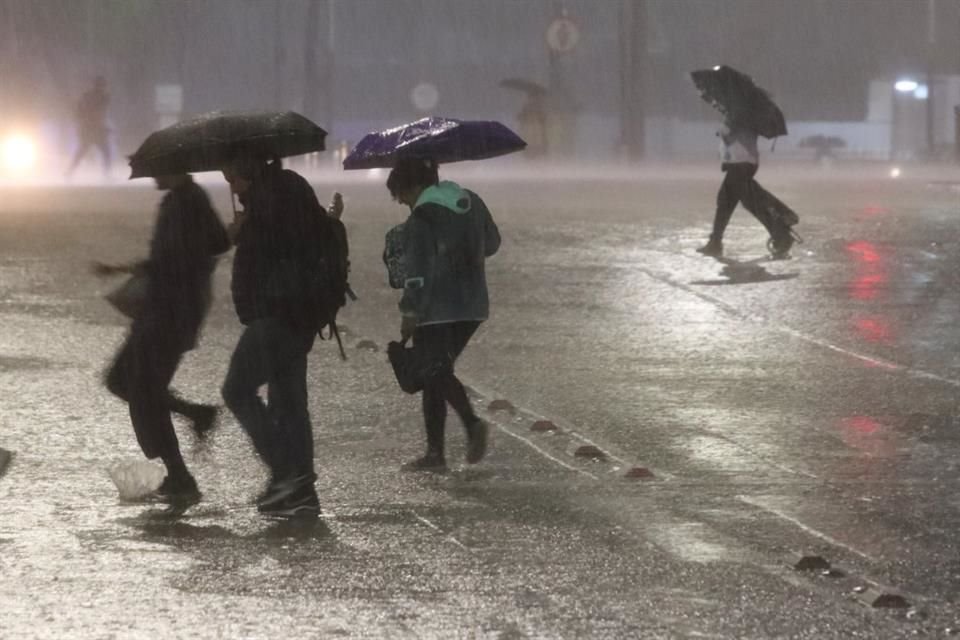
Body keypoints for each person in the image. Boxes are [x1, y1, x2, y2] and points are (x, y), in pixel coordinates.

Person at [95, 173, 229, 504]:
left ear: (173, 166)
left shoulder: (183, 202)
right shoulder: (186, 198)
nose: (153, 175)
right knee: (129, 384)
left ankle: (180, 474)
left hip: (168, 311)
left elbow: (176, 259)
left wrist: (138, 267)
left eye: (158, 169)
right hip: (171, 309)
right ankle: (192, 422)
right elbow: (216, 244)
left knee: (136, 388)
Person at [220, 155, 333, 517]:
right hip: (303, 314)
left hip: (276, 312)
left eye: (234, 179)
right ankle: (302, 495)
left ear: (250, 171)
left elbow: (270, 252)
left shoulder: (268, 204)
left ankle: (287, 474)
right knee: (289, 403)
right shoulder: (292, 190)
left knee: (236, 390)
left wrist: (239, 232)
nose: (233, 188)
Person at [387, 157, 500, 472]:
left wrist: (410, 312)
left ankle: (471, 424)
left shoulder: (422, 218)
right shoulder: (471, 201)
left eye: (403, 197)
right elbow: (492, 244)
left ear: (412, 188)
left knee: (434, 369)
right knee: (437, 369)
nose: (405, 204)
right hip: (473, 305)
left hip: (436, 307)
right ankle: (435, 455)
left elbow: (417, 276)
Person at [696, 116, 795, 259]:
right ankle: (782, 230)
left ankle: (783, 225)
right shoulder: (738, 114)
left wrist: (724, 131)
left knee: (729, 202)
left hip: (741, 163)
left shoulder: (741, 116)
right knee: (747, 201)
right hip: (739, 163)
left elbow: (733, 139)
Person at [66, 75, 111, 177]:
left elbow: (80, 112)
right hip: (92, 129)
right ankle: (70, 172)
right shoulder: (102, 97)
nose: (103, 87)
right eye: (102, 85)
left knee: (83, 151)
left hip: (90, 129)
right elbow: (96, 113)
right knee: (102, 152)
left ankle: (70, 172)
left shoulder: (89, 96)